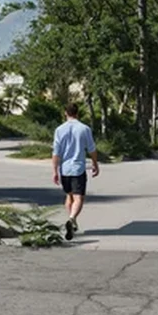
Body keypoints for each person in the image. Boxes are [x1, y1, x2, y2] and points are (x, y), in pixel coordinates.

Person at [50, 101, 100, 241]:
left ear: (65, 113)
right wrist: (95, 164)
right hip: (78, 168)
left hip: (65, 169)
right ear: (77, 113)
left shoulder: (59, 130)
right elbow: (92, 149)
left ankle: (72, 221)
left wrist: (55, 170)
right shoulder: (84, 129)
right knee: (79, 198)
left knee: (69, 196)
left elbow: (56, 152)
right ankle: (72, 219)